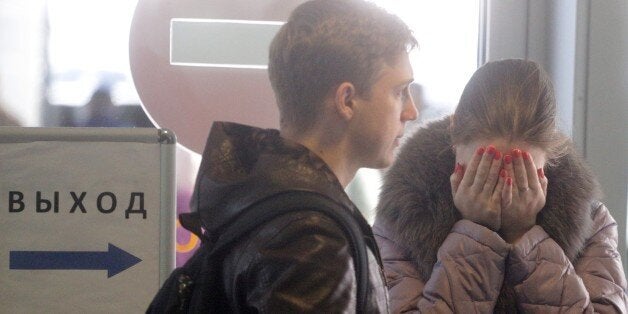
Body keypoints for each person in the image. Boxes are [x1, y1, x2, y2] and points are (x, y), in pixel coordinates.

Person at [187, 0, 417, 312]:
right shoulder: (311, 241)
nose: (410, 111)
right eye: (399, 91)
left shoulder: (261, 199)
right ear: (347, 100)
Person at [373, 59, 627, 313]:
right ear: (453, 132)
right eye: (481, 171)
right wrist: (475, 236)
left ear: (550, 154)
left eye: (522, 173)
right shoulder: (400, 217)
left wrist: (526, 236)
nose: (501, 191)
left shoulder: (592, 222)